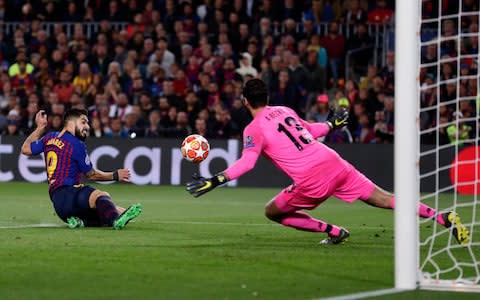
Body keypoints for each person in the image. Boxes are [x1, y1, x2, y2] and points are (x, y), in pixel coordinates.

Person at [186, 79, 470, 245]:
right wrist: (331, 124)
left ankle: (333, 231)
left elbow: (248, 163)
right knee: (386, 199)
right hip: (333, 161)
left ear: (245, 100)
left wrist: (215, 179)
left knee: (272, 212)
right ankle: (442, 217)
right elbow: (310, 130)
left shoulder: (253, 129)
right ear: (267, 97)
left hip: (311, 178)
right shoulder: (283, 110)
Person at [21, 108, 143, 229]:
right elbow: (91, 175)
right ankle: (114, 220)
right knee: (101, 196)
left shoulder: (49, 137)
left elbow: (25, 149)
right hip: (71, 194)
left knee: (109, 209)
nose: (88, 126)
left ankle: (83, 221)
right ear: (71, 123)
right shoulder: (76, 144)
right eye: (83, 122)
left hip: (58, 205)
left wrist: (40, 128)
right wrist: (115, 175)